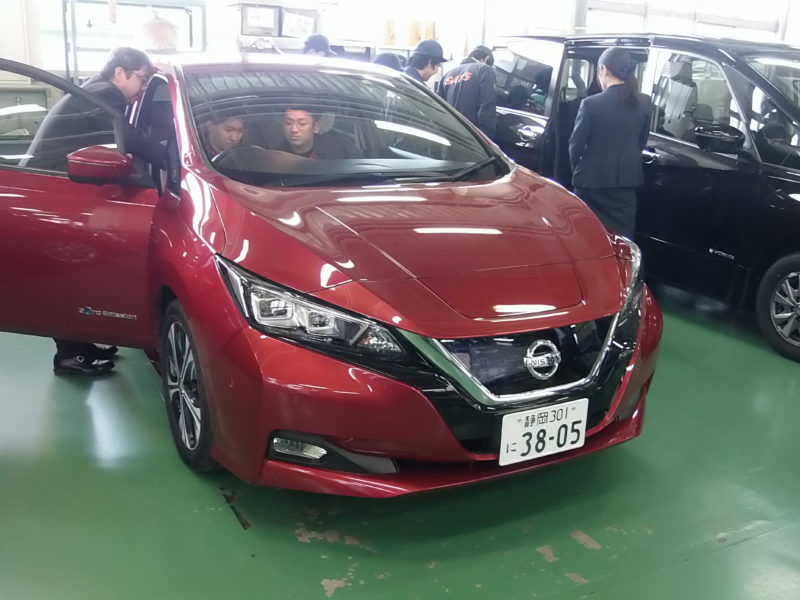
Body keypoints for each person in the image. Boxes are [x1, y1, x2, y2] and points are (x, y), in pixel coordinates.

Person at [26, 47, 167, 375]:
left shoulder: (93, 89)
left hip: (56, 186)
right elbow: (129, 138)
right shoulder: (104, 96)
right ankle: (70, 356)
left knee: (74, 274)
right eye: (141, 79)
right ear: (120, 73)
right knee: (66, 275)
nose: (143, 88)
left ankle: (81, 343)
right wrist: (171, 163)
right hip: (56, 190)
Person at [568, 47, 651, 239]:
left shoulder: (591, 103)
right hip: (626, 184)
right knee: (622, 238)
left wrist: (579, 169)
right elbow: (641, 143)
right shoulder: (644, 103)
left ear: (603, 69)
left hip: (591, 183)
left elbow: (575, 145)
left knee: (587, 236)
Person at [438, 45, 497, 138]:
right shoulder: (484, 70)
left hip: (449, 134)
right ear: (486, 59)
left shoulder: (447, 75)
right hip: (472, 137)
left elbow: (439, 108)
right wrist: (486, 137)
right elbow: (486, 108)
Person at [279, 105, 359, 159]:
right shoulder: (276, 157)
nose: (294, 129)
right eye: (288, 123)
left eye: (302, 124)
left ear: (315, 127)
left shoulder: (340, 147)